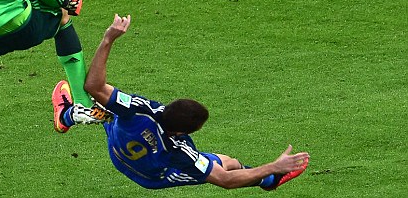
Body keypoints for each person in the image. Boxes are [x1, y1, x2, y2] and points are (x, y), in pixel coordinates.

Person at [51, 14, 310, 190]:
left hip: (118, 145)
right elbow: (226, 181)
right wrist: (272, 166)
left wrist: (109, 38)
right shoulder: (179, 149)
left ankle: (67, 115)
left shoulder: (145, 110)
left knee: (106, 106)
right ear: (185, 132)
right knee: (227, 162)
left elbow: (93, 85)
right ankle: (271, 180)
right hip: (152, 174)